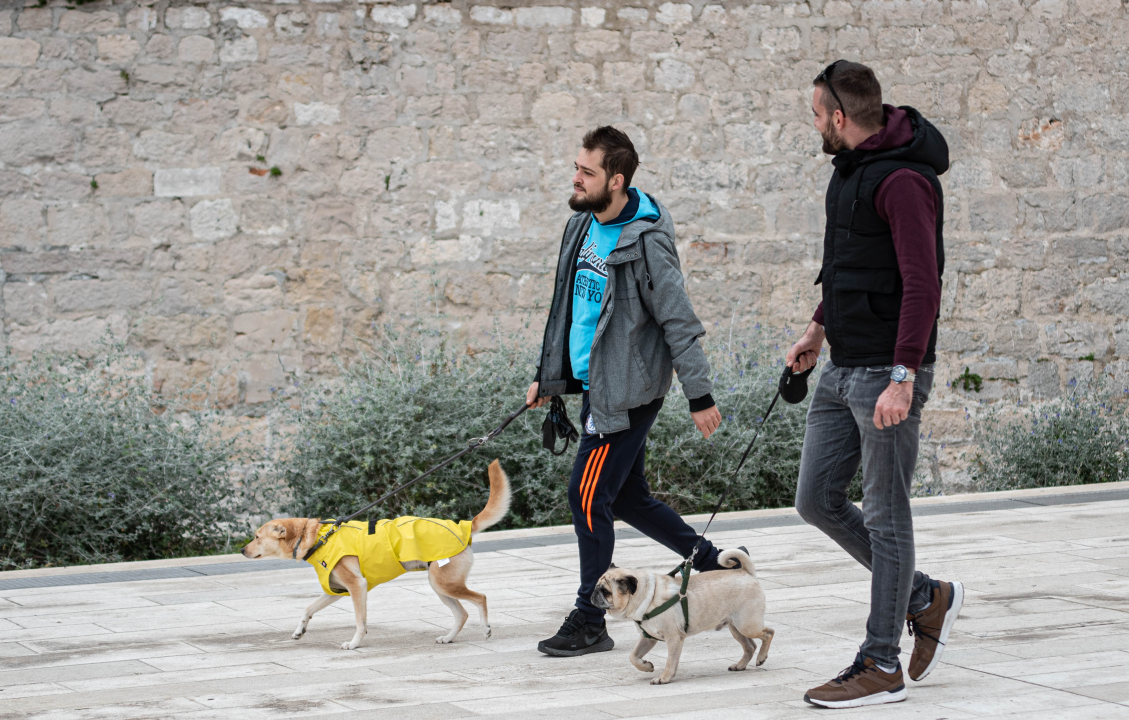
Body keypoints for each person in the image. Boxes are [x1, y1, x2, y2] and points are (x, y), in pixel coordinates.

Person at [785, 61, 964, 709]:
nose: (811, 125)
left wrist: (903, 378)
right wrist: (814, 330)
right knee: (814, 499)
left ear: (838, 117)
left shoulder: (905, 182)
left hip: (887, 373)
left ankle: (880, 662)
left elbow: (922, 284)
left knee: (886, 518)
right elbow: (849, 264)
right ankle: (923, 596)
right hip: (841, 366)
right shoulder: (851, 172)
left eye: (814, 114)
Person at [527, 126, 730, 657]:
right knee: (627, 497)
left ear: (615, 180)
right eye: (576, 167)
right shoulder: (581, 225)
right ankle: (709, 561)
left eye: (586, 171)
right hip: (596, 385)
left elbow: (678, 322)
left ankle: (591, 618)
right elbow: (570, 312)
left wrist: (700, 395)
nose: (575, 178)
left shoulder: (648, 242)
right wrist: (550, 377)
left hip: (625, 394)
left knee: (588, 496)